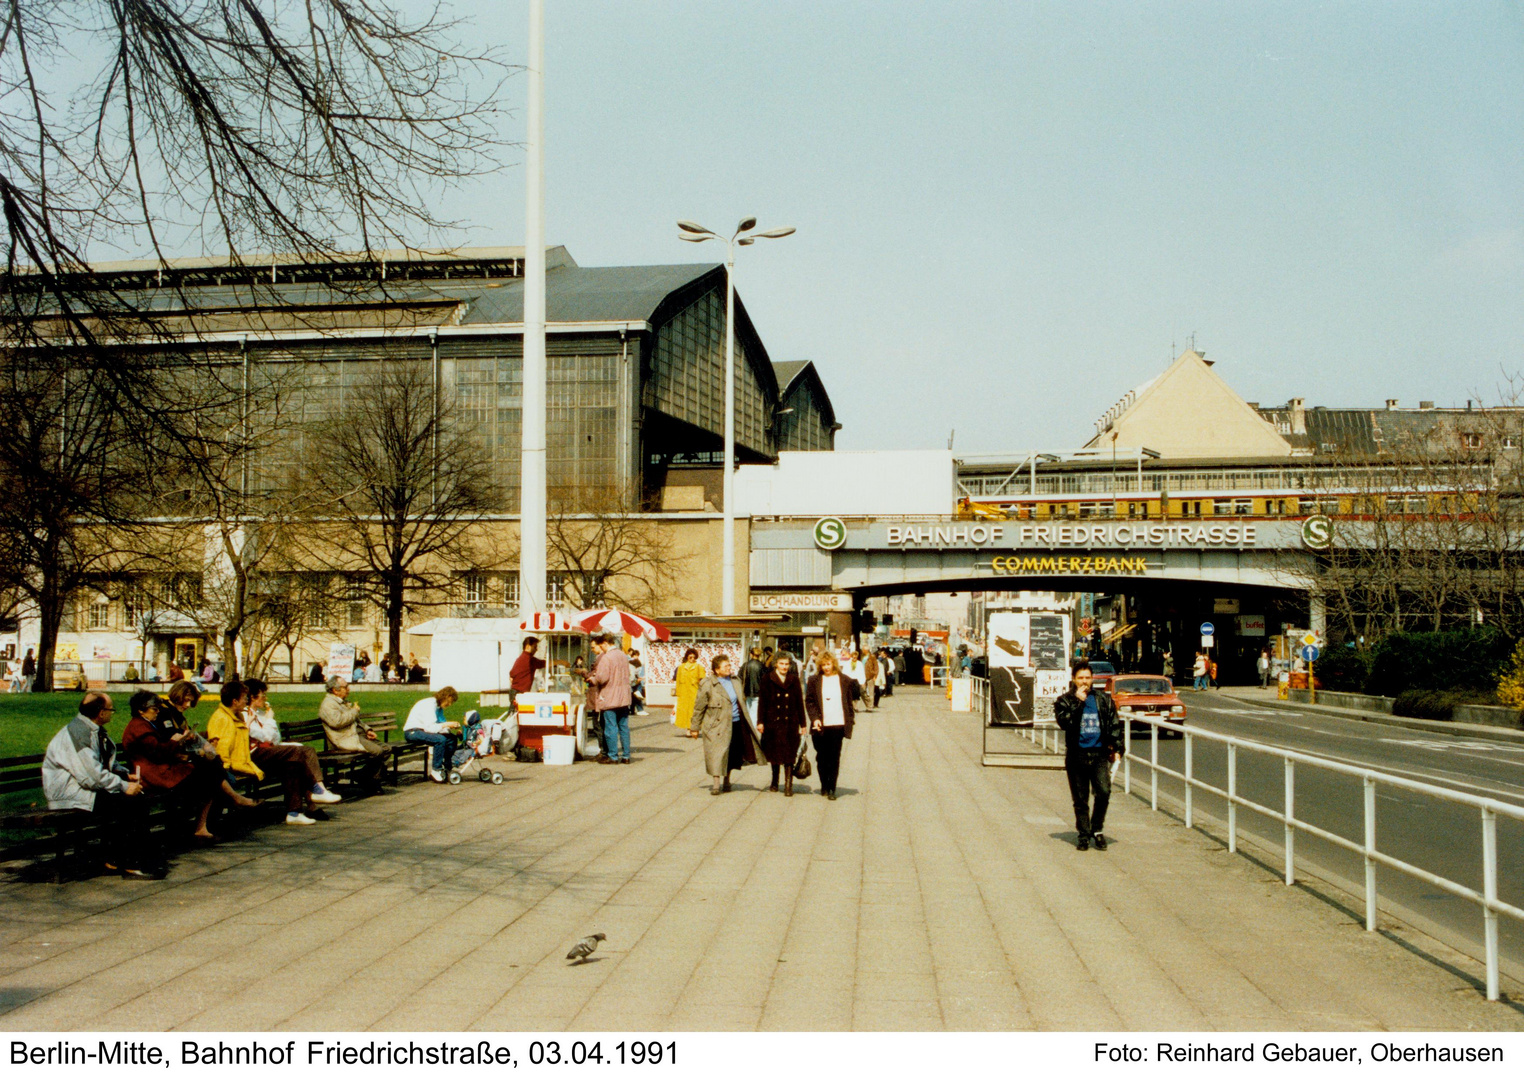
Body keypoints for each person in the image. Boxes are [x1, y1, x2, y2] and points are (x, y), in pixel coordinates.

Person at [42, 692, 164, 878]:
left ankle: (116, 860)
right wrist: (124, 786)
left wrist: (125, 774)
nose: (112, 713)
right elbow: (91, 776)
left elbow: (102, 764)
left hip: (82, 788)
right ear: (100, 713)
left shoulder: (90, 729)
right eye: (110, 709)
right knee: (128, 803)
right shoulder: (79, 733)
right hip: (68, 793)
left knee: (135, 800)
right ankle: (131, 863)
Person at [122, 689, 225, 841]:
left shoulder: (144, 724)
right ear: (141, 710)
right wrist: (176, 741)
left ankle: (196, 826)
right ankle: (193, 827)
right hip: (151, 774)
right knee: (208, 776)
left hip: (157, 770)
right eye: (154, 709)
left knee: (210, 774)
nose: (157, 712)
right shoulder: (139, 727)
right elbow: (157, 752)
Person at [246, 678, 340, 821]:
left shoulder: (259, 714)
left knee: (296, 761)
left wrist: (268, 722)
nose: (265, 698)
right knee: (297, 753)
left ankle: (294, 812)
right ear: (252, 697)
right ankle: (316, 792)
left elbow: (274, 739)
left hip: (268, 753)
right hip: (255, 755)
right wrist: (270, 720)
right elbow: (264, 737)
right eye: (263, 695)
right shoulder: (245, 715)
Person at [1053, 661, 1122, 852]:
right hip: (1077, 755)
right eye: (1081, 678)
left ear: (1092, 679)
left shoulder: (1103, 699)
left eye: (1088, 678)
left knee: (1104, 792)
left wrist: (1117, 748)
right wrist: (1077, 701)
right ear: (1074, 679)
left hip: (1098, 754)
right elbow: (1065, 723)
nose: (1085, 682)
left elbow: (1114, 724)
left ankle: (1097, 829)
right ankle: (1083, 835)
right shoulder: (1064, 700)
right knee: (1080, 798)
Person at [691, 654, 761, 795]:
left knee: (731, 754)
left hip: (735, 723)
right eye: (726, 666)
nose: (729, 668)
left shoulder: (735, 681)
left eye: (729, 665)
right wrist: (695, 727)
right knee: (717, 755)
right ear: (717, 670)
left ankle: (727, 780)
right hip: (716, 726)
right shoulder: (708, 684)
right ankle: (716, 784)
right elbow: (699, 707)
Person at [319, 676, 389, 789]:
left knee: (386, 749)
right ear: (335, 690)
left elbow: (357, 720)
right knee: (378, 751)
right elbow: (337, 722)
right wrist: (354, 711)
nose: (348, 689)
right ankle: (372, 782)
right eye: (345, 687)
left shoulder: (341, 702)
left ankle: (359, 775)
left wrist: (367, 729)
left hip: (356, 735)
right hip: (345, 738)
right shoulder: (328, 704)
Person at [805, 651, 857, 801]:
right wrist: (814, 718)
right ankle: (824, 784)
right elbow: (809, 702)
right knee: (821, 757)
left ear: (833, 663)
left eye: (828, 664)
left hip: (837, 723)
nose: (826, 668)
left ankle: (832, 788)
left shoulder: (844, 680)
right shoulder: (814, 680)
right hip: (821, 725)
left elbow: (849, 702)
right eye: (823, 665)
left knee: (834, 757)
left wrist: (850, 720)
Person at [757, 651, 806, 796]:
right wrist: (760, 721)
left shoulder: (794, 679)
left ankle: (788, 784)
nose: (784, 667)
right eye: (781, 664)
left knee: (790, 754)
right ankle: (774, 780)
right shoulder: (767, 678)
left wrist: (803, 724)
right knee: (774, 753)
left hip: (790, 721)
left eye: (786, 664)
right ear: (776, 664)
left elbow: (799, 703)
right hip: (773, 721)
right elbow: (762, 702)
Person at [589, 633, 633, 764]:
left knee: (611, 727)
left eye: (601, 646)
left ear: (605, 643)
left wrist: (593, 678)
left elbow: (602, 677)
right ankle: (626, 756)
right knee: (623, 727)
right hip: (624, 697)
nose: (601, 649)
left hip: (610, 697)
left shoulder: (607, 658)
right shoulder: (623, 656)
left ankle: (613, 756)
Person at [405, 686, 461, 782]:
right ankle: (436, 770)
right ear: (445, 697)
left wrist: (451, 728)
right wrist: (447, 724)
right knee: (440, 739)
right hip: (412, 731)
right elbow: (430, 727)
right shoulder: (430, 704)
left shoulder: (439, 708)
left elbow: (440, 725)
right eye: (449, 701)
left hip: (422, 731)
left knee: (452, 739)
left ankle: (447, 767)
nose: (450, 704)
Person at [672, 648, 703, 739]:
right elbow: (678, 680)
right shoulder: (681, 667)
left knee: (694, 711)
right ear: (687, 657)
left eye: (694, 657)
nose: (692, 658)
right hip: (684, 693)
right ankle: (688, 729)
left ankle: (693, 728)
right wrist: (678, 692)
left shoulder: (699, 667)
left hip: (695, 692)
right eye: (690, 656)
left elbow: (703, 680)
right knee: (685, 712)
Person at [510, 637, 547, 704]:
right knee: (515, 713)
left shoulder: (521, 658)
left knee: (515, 713)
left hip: (515, 692)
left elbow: (511, 674)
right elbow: (544, 663)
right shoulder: (529, 660)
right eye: (534, 647)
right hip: (519, 693)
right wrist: (560, 662)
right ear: (527, 646)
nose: (536, 649)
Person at [741, 646, 766, 720]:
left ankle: (749, 729)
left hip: (747, 692)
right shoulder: (762, 666)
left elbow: (740, 677)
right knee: (755, 713)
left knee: (748, 712)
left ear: (750, 654)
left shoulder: (745, 665)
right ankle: (753, 729)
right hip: (758, 692)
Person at [630, 649, 648, 717]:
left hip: (633, 681)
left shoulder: (629, 661)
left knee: (633, 696)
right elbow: (635, 673)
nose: (637, 657)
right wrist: (639, 679)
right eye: (636, 655)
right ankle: (640, 710)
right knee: (638, 695)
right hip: (636, 681)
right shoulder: (635, 662)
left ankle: (632, 710)